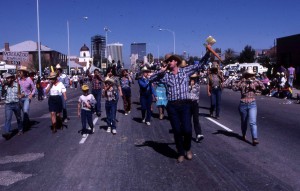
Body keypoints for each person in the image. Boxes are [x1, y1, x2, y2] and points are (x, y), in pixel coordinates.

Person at [149, 52, 210, 163]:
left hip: (185, 104)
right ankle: (180, 152)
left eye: (170, 60)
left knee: (187, 129)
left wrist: (208, 53)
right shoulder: (166, 76)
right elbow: (150, 79)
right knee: (177, 130)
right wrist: (161, 71)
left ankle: (187, 148)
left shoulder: (185, 71)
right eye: (167, 61)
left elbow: (199, 65)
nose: (168, 62)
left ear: (176, 61)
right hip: (172, 106)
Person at [232, 68, 265, 146]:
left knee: (252, 122)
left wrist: (256, 80)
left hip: (252, 104)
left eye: (251, 75)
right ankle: (243, 134)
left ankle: (255, 138)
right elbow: (234, 88)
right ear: (246, 75)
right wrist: (241, 81)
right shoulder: (242, 82)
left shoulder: (255, 82)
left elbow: (263, 87)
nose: (250, 76)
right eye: (248, 75)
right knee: (244, 121)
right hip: (243, 104)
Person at [2, 73, 23, 139]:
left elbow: (23, 93)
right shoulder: (5, 86)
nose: (7, 79)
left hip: (16, 103)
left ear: (12, 78)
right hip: (8, 104)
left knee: (18, 117)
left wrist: (21, 95)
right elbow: (3, 94)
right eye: (7, 78)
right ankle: (7, 132)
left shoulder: (18, 85)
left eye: (9, 78)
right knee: (8, 118)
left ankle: (20, 129)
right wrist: (3, 87)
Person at [18, 66, 36, 131]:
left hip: (27, 98)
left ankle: (25, 127)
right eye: (19, 71)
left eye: (21, 71)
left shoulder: (29, 79)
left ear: (24, 73)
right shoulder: (18, 80)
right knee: (22, 112)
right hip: (19, 98)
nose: (19, 73)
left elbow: (34, 88)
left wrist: (31, 94)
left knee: (25, 110)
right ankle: (27, 122)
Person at [189, 72, 204, 142]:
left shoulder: (197, 85)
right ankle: (187, 134)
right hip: (187, 103)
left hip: (195, 103)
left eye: (194, 78)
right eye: (192, 78)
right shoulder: (186, 85)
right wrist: (190, 87)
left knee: (196, 119)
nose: (193, 80)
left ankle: (198, 134)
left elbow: (197, 94)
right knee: (187, 120)